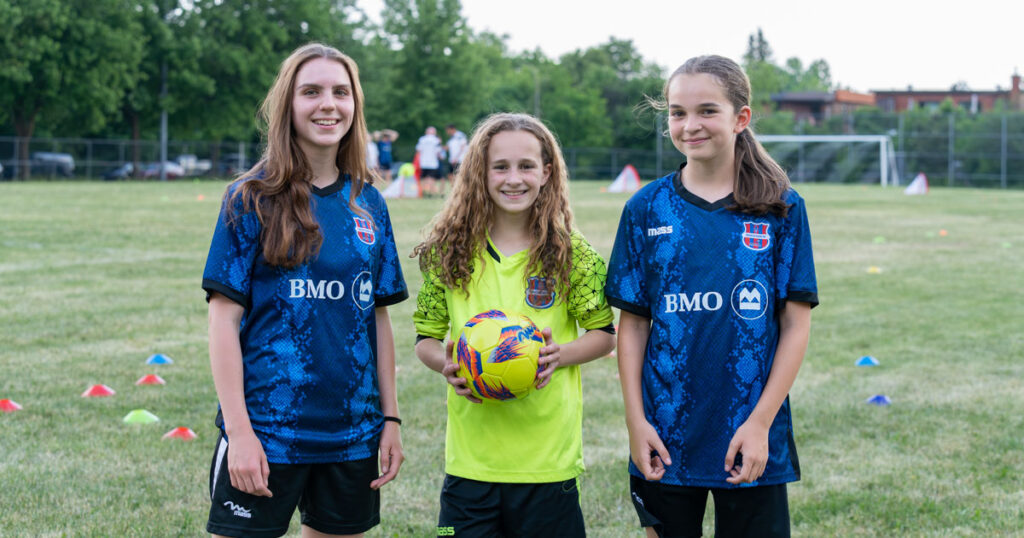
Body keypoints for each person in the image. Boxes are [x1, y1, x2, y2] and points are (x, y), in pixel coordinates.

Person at [606, 54, 818, 538]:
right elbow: (634, 324)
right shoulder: (645, 207)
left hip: (749, 430)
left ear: (740, 118)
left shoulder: (780, 204)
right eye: (677, 113)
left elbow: (795, 323)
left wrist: (761, 422)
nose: (689, 125)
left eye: (706, 111)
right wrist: (636, 422)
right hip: (666, 431)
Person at [201, 42, 408, 538]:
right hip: (269, 431)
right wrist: (240, 433)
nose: (327, 104)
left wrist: (391, 418)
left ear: (355, 105)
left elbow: (376, 317)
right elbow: (223, 321)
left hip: (353, 435)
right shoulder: (249, 197)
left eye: (341, 92)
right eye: (310, 91)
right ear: (287, 106)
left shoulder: (369, 204)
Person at [411, 112, 616, 537]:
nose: (513, 178)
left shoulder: (571, 252)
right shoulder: (451, 250)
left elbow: (604, 334)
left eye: (526, 166)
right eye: (500, 166)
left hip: (546, 460)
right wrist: (444, 364)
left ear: (546, 172)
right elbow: (426, 339)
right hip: (472, 462)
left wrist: (559, 355)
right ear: (478, 173)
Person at [415, 126, 443, 196]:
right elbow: (438, 151)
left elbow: (418, 150)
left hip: (423, 162)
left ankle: (423, 192)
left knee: (423, 178)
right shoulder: (436, 140)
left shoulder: (422, 139)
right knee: (431, 178)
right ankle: (431, 193)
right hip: (433, 163)